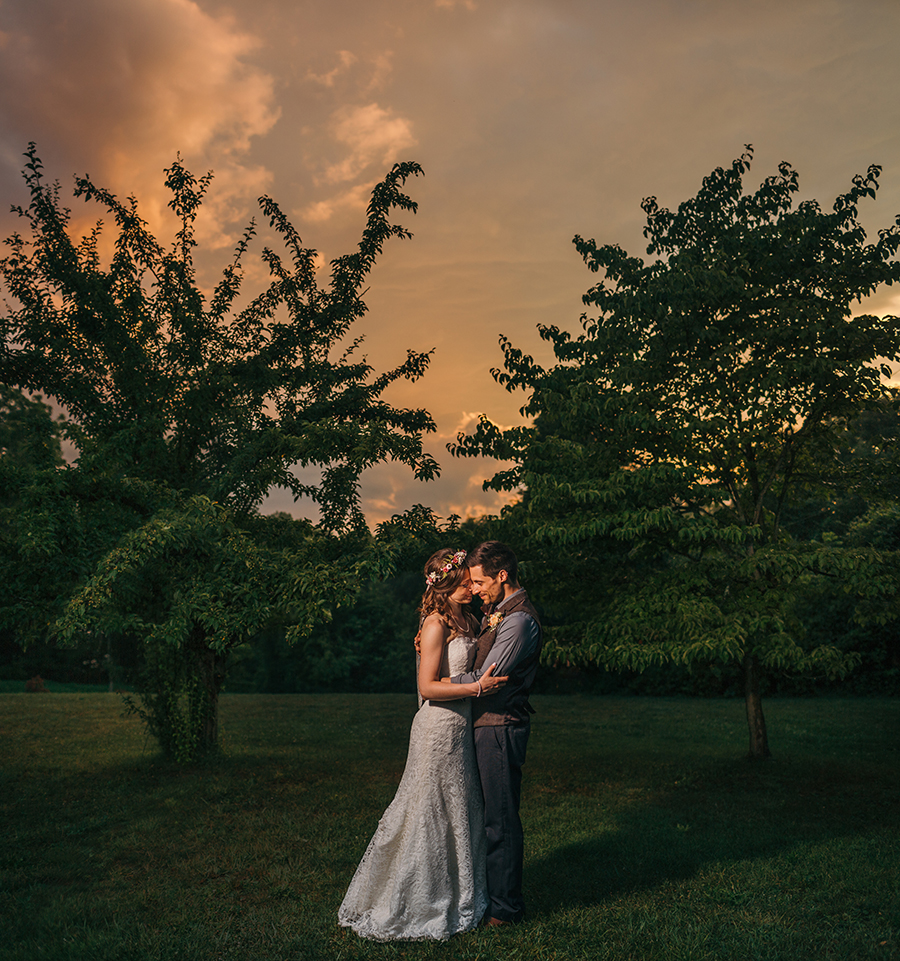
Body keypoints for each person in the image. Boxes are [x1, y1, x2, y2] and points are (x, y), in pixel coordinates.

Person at [337, 548, 507, 941]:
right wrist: (477, 687)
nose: (472, 588)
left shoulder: (468, 618)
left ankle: (461, 894)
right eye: (464, 583)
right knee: (427, 812)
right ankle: (415, 900)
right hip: (437, 729)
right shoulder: (434, 623)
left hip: (461, 729)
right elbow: (427, 686)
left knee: (459, 811)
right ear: (445, 585)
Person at [449, 541, 541, 926]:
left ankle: (506, 910)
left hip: (500, 726)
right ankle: (490, 896)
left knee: (500, 819)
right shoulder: (496, 611)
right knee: (487, 815)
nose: (474, 590)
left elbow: (488, 678)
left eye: (479, 582)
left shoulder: (518, 621)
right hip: (484, 724)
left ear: (502, 576)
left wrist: (439, 682)